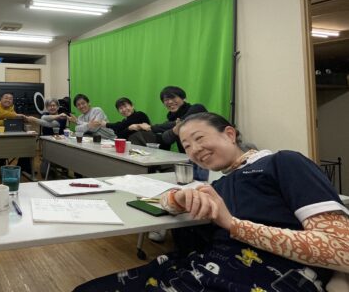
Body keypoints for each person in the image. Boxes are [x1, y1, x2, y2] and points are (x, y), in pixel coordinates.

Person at [73, 112, 349, 292]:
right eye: (187, 146)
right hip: (200, 268)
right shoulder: (220, 185)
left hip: (262, 276)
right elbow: (162, 203)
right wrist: (179, 197)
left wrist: (232, 224)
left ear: (229, 134)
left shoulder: (281, 162)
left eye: (199, 138)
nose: (195, 150)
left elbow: (341, 249)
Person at [131, 86, 207, 151]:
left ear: (184, 98)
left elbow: (182, 123)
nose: (170, 102)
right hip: (188, 157)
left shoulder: (197, 108)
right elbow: (166, 137)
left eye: (173, 98)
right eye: (166, 100)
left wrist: (151, 127)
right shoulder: (171, 119)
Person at [0, 92, 34, 177]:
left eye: (10, 99)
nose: (8, 100)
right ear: (1, 99)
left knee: (5, 148)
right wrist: (14, 116)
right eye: (6, 98)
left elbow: (10, 121)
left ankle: (3, 165)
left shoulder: (11, 108)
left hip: (4, 132)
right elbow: (4, 114)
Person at [27, 97, 69, 177]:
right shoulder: (46, 115)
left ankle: (60, 168)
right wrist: (58, 116)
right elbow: (43, 118)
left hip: (59, 143)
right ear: (47, 107)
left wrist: (35, 119)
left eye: (54, 105)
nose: (52, 107)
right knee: (44, 173)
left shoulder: (63, 117)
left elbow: (50, 124)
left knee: (58, 162)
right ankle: (51, 169)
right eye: (49, 106)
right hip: (47, 143)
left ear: (58, 107)